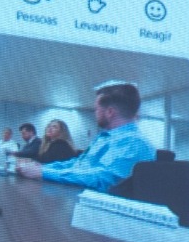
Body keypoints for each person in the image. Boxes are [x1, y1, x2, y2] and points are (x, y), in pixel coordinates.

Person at [16, 82, 153, 192]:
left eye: (96, 110)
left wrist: (44, 173)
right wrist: (42, 168)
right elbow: (77, 164)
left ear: (110, 112)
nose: (95, 114)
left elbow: (102, 179)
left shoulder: (134, 142)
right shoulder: (104, 137)